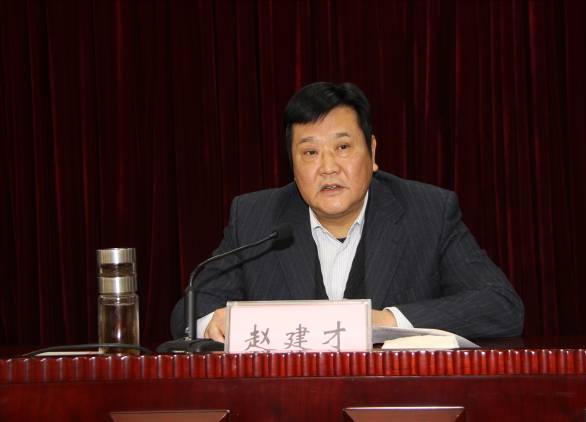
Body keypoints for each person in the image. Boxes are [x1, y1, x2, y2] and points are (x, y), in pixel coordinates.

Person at [170, 82, 524, 341]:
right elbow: (187, 313)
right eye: (310, 153)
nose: (328, 168)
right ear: (292, 164)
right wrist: (213, 322)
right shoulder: (255, 218)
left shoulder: (428, 213)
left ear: (372, 152)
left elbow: (501, 306)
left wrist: (389, 320)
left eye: (342, 147)